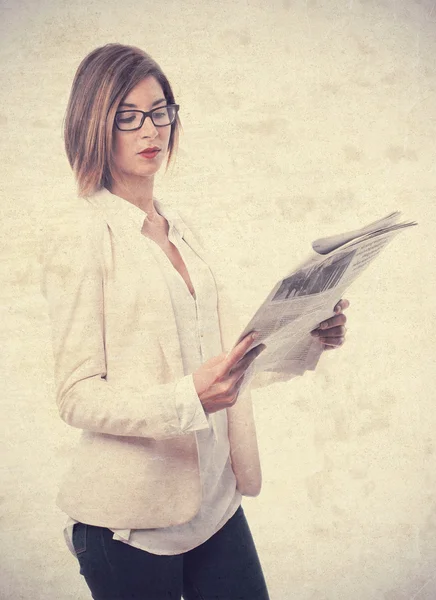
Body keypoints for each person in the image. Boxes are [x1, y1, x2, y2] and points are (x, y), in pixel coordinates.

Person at [40, 43, 349, 600]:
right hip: (132, 528)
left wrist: (307, 340)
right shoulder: (81, 236)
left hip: (215, 505)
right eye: (126, 116)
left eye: (159, 111)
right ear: (94, 124)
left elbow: (227, 365)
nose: (148, 129)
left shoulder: (179, 227)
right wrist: (190, 400)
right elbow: (76, 396)